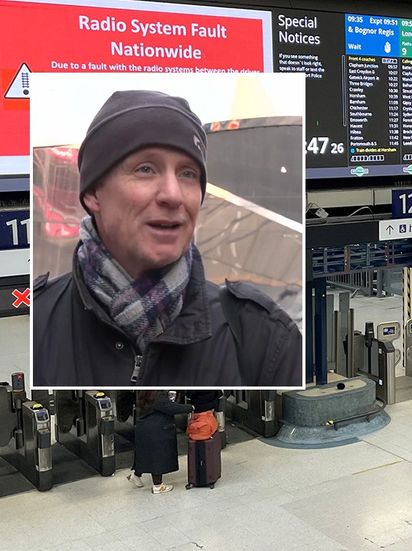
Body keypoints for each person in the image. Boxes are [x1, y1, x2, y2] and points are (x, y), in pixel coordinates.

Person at [32, 90, 301, 387]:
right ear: (94, 192)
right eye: (145, 169)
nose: (173, 195)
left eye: (188, 174)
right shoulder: (37, 321)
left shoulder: (263, 337)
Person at [128, 390, 194, 494]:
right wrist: (191, 408)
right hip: (156, 429)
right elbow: (170, 408)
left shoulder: (145, 390)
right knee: (158, 458)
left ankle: (136, 475)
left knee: (145, 454)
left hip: (144, 426)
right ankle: (158, 486)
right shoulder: (157, 393)